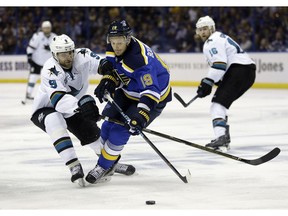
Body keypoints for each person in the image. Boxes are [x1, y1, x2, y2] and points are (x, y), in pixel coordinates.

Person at [30, 34, 135, 187]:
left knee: (90, 131)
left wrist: (107, 73)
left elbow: (101, 64)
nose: (69, 57)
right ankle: (73, 165)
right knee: (54, 120)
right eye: (63, 54)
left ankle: (108, 162)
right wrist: (82, 106)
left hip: (72, 105)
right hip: (46, 108)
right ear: (54, 55)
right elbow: (58, 100)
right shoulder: (49, 69)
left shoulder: (82, 54)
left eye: (70, 52)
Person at [85, 20, 172, 184]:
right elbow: (113, 69)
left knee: (121, 130)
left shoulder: (138, 60)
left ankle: (104, 166)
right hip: (129, 90)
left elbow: (151, 91)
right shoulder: (113, 46)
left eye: (120, 42)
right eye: (113, 42)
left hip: (153, 96)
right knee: (107, 124)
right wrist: (108, 82)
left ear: (128, 39)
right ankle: (110, 161)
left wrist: (142, 114)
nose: (116, 46)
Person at [195, 16, 256, 151]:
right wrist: (211, 82)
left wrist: (207, 83)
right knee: (221, 104)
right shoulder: (220, 37)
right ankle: (224, 136)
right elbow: (222, 69)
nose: (203, 32)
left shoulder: (212, 41)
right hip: (247, 72)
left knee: (217, 105)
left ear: (211, 28)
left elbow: (219, 65)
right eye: (200, 30)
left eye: (205, 28)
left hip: (239, 70)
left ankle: (221, 138)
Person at [22, 21, 57, 104]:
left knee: (51, 79)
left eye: (48, 28)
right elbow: (30, 47)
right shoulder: (37, 36)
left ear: (50, 28)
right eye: (45, 28)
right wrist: (29, 57)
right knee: (33, 78)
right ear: (42, 28)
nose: (47, 29)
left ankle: (52, 95)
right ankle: (28, 95)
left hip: (49, 63)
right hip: (36, 62)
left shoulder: (54, 37)